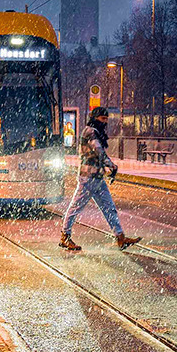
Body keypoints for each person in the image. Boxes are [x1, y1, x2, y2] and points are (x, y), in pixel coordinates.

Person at [60, 106, 141, 251]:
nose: (105, 122)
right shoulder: (90, 131)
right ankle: (65, 236)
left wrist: (108, 166)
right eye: (102, 119)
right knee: (75, 208)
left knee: (109, 208)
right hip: (88, 179)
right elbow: (99, 151)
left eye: (106, 119)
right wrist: (111, 165)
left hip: (97, 178)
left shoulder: (96, 131)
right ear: (95, 118)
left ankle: (120, 237)